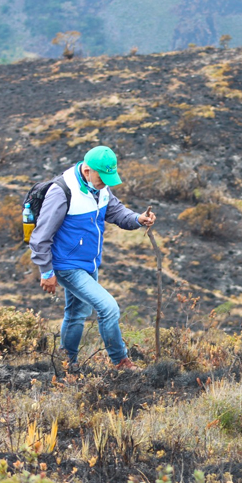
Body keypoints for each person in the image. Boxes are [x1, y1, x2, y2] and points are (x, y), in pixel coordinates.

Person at [29, 145, 156, 371]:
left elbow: (116, 212)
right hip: (67, 265)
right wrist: (46, 271)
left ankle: (66, 362)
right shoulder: (62, 192)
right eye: (102, 178)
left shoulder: (100, 188)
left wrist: (138, 219)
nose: (105, 183)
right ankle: (120, 361)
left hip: (89, 262)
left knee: (77, 313)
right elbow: (40, 236)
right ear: (87, 170)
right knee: (109, 308)